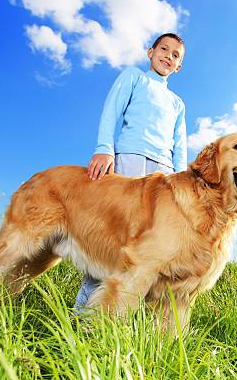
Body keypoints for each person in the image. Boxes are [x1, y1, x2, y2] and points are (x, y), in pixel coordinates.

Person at [74, 33, 187, 311]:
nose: (168, 56)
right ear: (150, 52)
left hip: (164, 173)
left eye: (175, 55)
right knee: (115, 237)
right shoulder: (134, 77)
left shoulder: (178, 104)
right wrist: (104, 148)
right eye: (164, 49)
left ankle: (128, 314)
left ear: (179, 67)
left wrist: (182, 181)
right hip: (130, 160)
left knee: (154, 242)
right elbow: (111, 110)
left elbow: (179, 144)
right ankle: (83, 313)